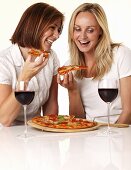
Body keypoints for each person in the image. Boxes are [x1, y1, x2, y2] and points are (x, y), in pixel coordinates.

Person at [57, 3, 131, 124]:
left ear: (100, 31)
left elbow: (129, 111)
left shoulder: (120, 54)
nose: (82, 36)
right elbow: (78, 121)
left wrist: (113, 138)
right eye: (77, 29)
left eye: (90, 30)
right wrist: (73, 90)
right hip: (89, 136)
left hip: (120, 133)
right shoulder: (70, 66)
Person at [0, 2, 64, 126]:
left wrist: (50, 136)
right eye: (52, 27)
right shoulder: (3, 62)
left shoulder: (51, 57)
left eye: (59, 30)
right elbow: (4, 119)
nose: (56, 35)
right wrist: (24, 77)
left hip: (37, 131)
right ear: (35, 26)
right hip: (6, 136)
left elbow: (51, 107)